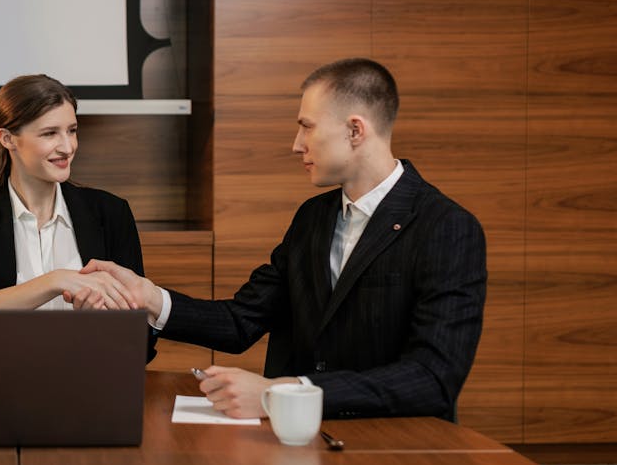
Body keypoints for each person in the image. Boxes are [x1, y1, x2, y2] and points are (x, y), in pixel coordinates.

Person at [83, 58, 486, 419]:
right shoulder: (313, 217)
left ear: (356, 130)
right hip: (297, 443)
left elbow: (432, 379)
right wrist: (150, 297)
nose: (297, 145)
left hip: (399, 453)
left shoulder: (446, 226)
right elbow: (243, 320)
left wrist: (284, 393)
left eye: (306, 127)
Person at [0, 74, 156, 359]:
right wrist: (55, 281)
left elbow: (142, 341)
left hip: (90, 378)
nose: (67, 147)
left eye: (72, 130)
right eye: (50, 133)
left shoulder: (111, 213)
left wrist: (103, 320)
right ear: (7, 138)